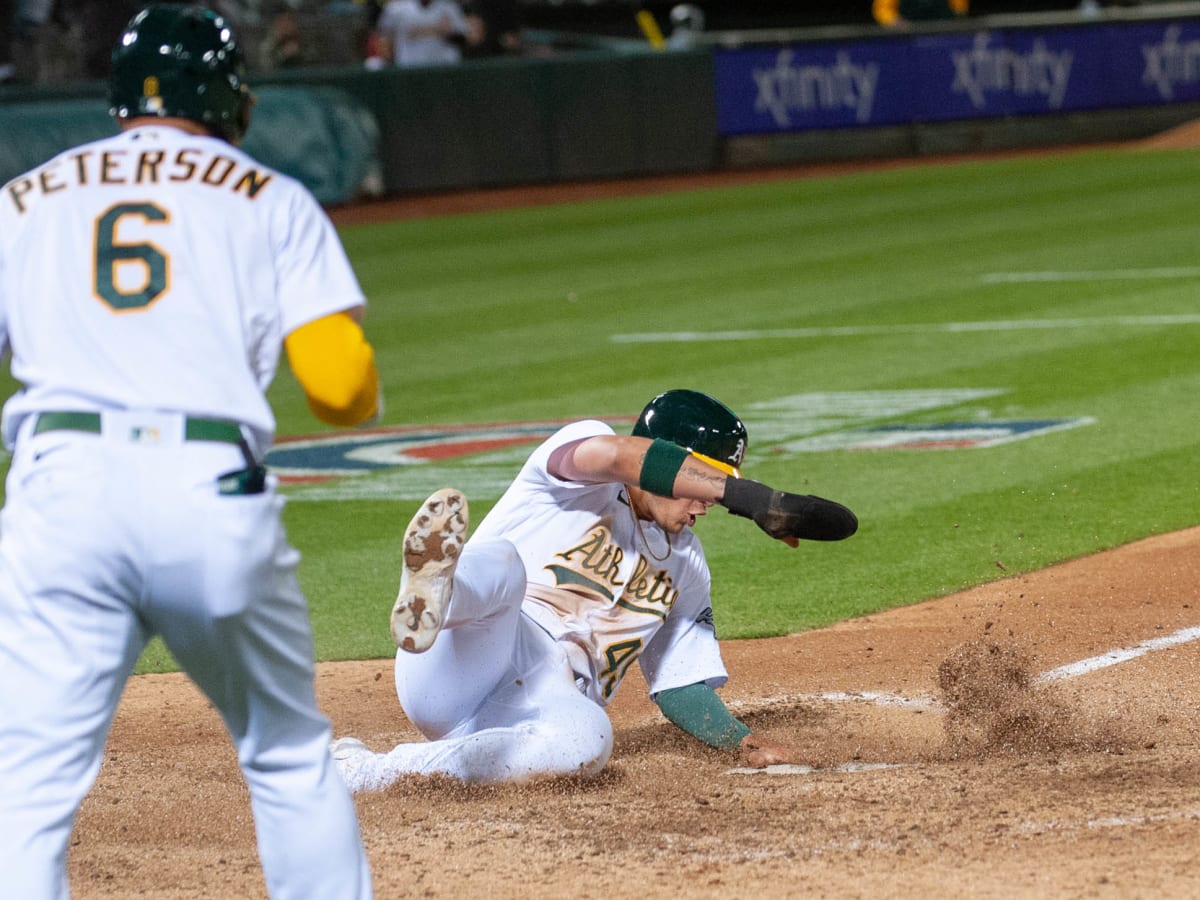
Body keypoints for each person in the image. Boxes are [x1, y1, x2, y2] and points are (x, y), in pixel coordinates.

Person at [0, 5, 378, 897]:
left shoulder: (21, 198)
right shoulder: (270, 196)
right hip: (209, 495)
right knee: (286, 756)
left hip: (62, 497)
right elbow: (337, 389)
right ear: (228, 97)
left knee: (26, 785)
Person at [332, 389, 858, 788]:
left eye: (719, 490)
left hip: (541, 703)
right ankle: (439, 589)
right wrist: (749, 496)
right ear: (666, 458)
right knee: (506, 567)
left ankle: (363, 771)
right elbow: (616, 457)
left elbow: (679, 683)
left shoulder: (688, 566)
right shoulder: (575, 474)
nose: (708, 502)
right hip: (459, 654)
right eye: (704, 482)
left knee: (589, 740)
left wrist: (741, 742)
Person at [372, 0, 480, 67]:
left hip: (444, 68)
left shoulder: (448, 7)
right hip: (410, 69)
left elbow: (466, 39)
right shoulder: (397, 9)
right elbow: (384, 37)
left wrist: (448, 33)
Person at [872, 0, 968, 28]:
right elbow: (882, 9)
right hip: (909, 41)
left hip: (942, 36)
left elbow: (959, 8)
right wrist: (894, 21)